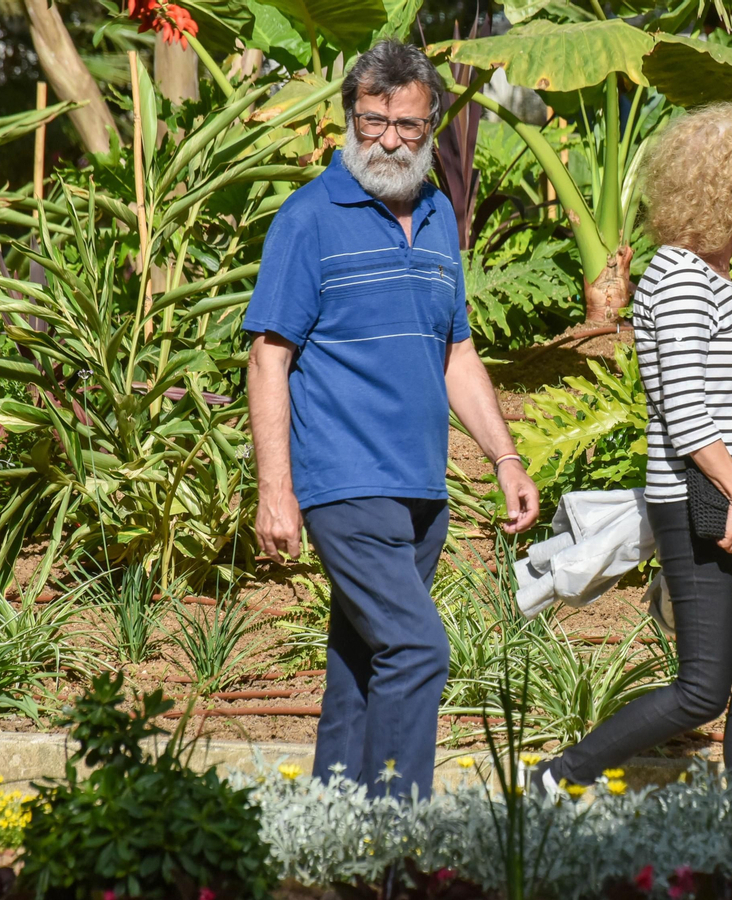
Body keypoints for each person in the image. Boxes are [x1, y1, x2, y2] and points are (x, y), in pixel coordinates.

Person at [243, 39, 540, 799]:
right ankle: (398, 838)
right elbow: (268, 358)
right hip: (344, 482)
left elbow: (458, 354)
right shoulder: (308, 219)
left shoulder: (439, 216)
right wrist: (275, 489)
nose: (387, 141)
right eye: (371, 122)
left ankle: (332, 834)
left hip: (421, 489)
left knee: (362, 665)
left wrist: (505, 458)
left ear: (431, 123)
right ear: (351, 117)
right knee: (416, 650)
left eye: (405, 126)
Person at [536, 103, 732, 792]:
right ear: (728, 184)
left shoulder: (711, 277)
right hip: (705, 496)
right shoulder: (677, 279)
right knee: (706, 687)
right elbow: (684, 412)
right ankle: (558, 778)